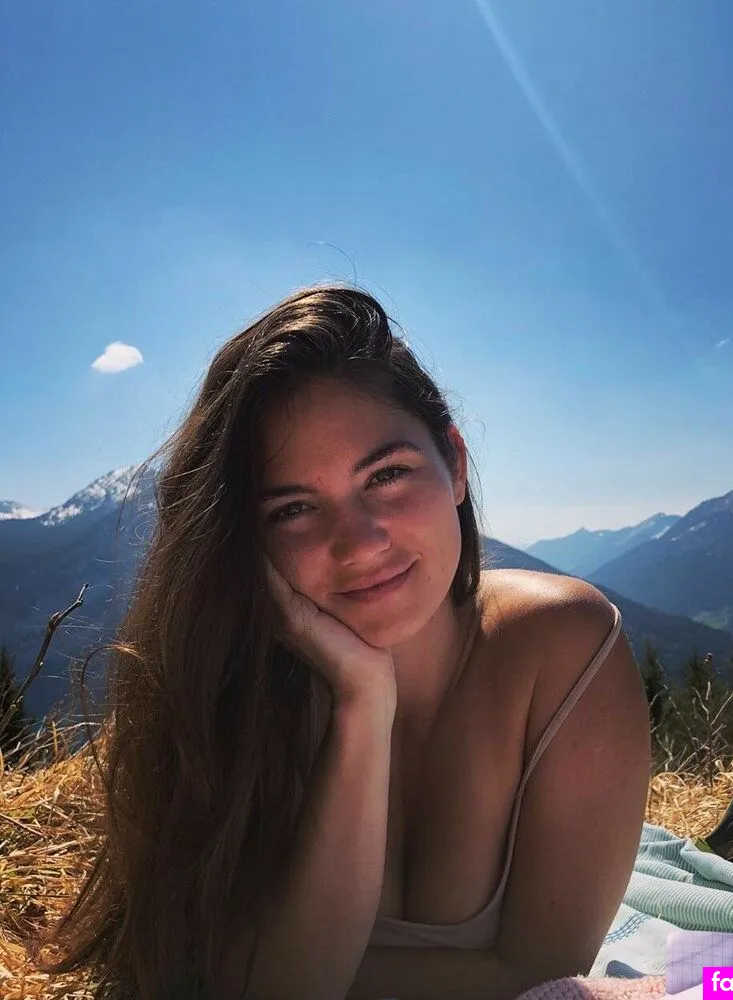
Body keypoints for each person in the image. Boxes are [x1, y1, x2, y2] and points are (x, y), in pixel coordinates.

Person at [32, 286, 651, 1000]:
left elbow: (544, 980)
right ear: (246, 539)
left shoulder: (563, 649)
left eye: (386, 475)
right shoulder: (222, 694)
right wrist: (363, 703)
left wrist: (274, 962)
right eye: (294, 508)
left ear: (454, 463)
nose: (358, 544)